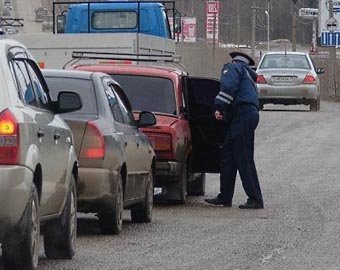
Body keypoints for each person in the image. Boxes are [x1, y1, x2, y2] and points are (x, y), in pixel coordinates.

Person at [205, 51, 264, 209]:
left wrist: (218, 107)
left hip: (243, 116)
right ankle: (225, 196)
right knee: (229, 157)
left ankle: (255, 198)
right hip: (245, 115)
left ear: (234, 60)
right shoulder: (247, 75)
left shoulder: (232, 68)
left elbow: (228, 88)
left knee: (244, 157)